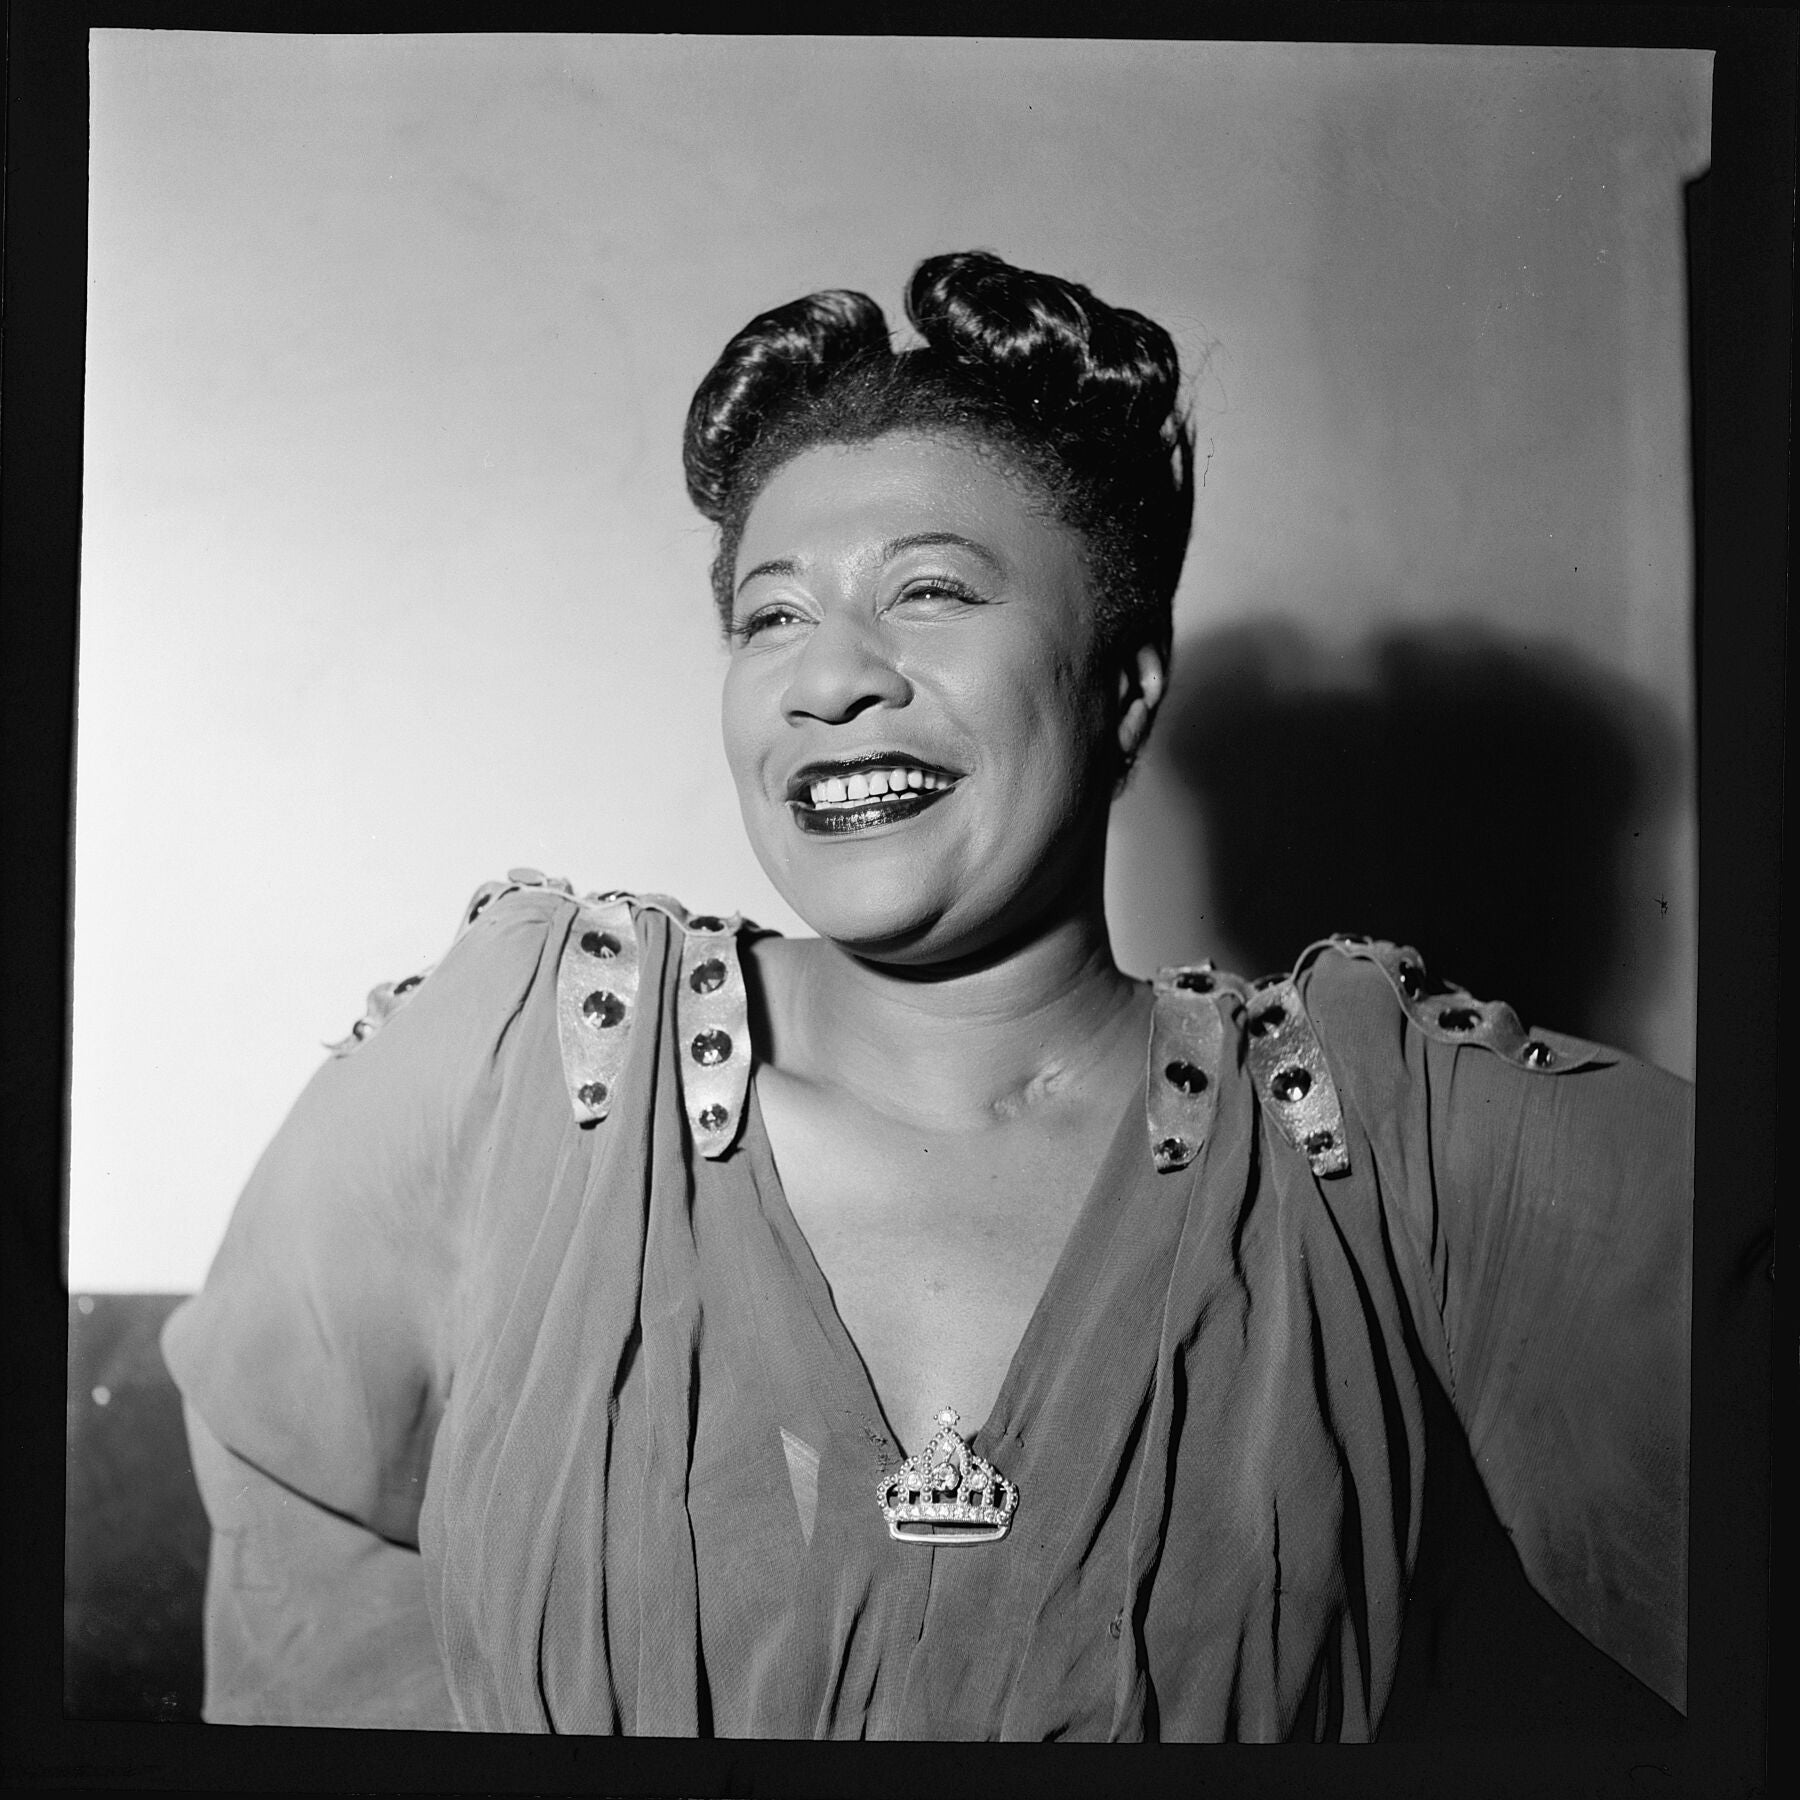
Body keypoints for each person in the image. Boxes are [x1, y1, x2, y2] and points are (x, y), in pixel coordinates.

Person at [160, 250, 1691, 1740]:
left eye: (933, 593)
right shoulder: (531, 1068)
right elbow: (292, 1514)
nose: (830, 677)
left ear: (1125, 684)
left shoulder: (1383, 1141)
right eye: (771, 615)